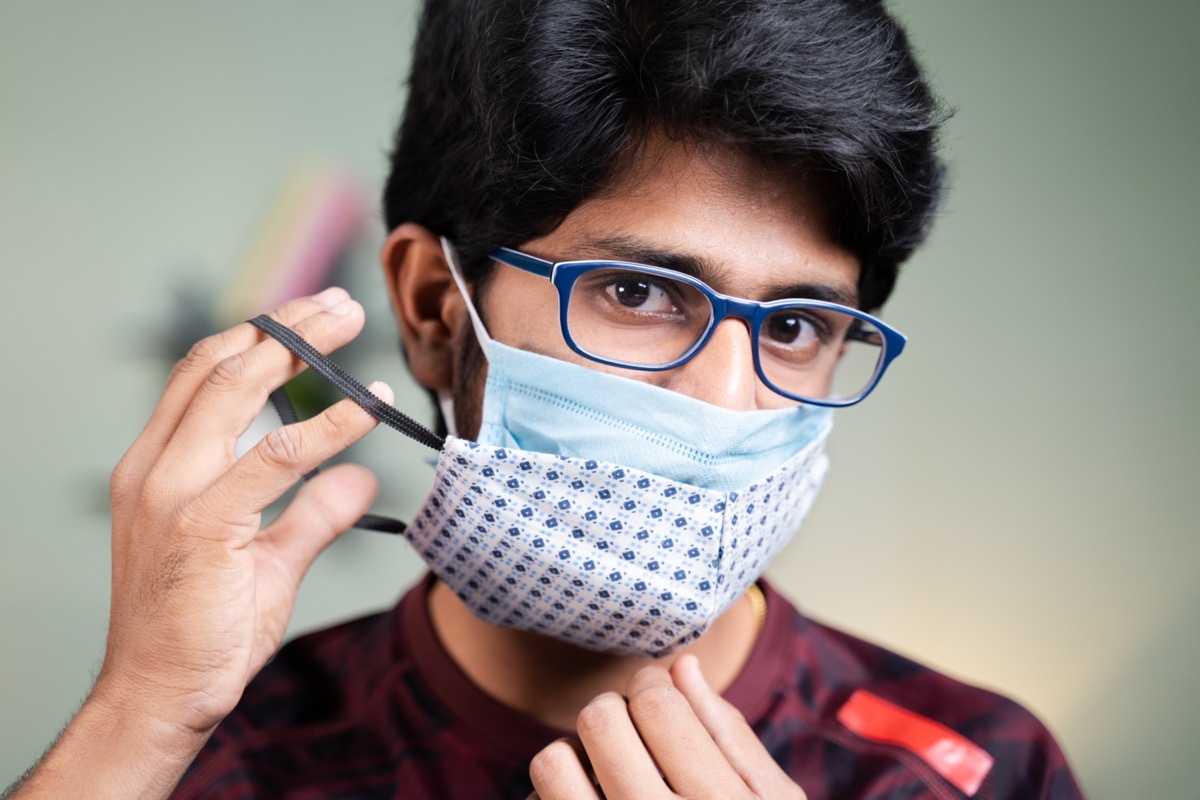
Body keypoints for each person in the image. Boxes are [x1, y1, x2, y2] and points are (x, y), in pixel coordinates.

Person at [6, 1, 1085, 798]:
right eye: (637, 292)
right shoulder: (209, 762)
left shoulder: (982, 765)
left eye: (795, 326)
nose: (722, 397)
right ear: (434, 308)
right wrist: (137, 713)